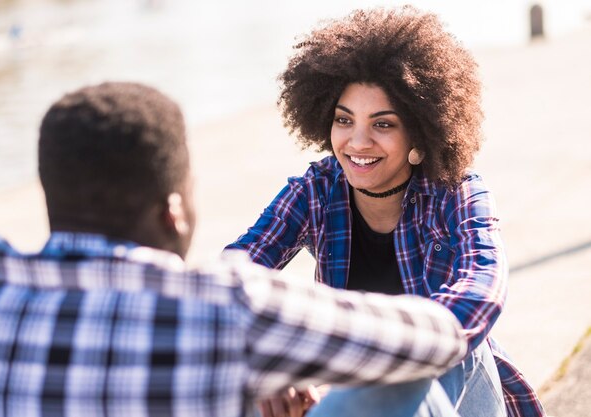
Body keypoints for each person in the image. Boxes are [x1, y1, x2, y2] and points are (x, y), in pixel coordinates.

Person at [0, 82, 468, 417]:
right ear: (175, 211)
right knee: (403, 383)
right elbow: (438, 339)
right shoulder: (226, 307)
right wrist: (281, 363)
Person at [226, 6, 545, 417]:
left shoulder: (457, 192)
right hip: (355, 397)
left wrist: (371, 354)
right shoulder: (318, 189)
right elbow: (235, 274)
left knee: (442, 340)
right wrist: (273, 365)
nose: (357, 142)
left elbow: (482, 291)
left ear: (421, 129)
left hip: (457, 394)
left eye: (383, 124)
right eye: (344, 119)